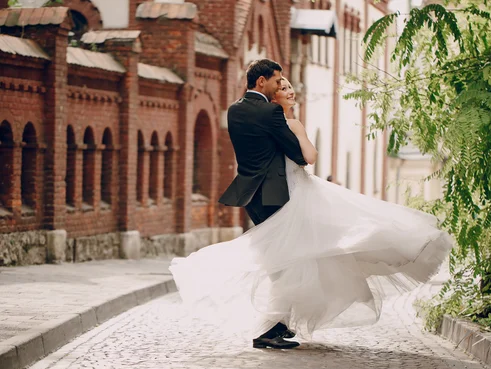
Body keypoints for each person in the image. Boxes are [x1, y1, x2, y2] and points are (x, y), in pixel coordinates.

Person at [170, 59, 453, 350]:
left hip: (252, 196)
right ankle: (267, 328)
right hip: (281, 194)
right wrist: (293, 133)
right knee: (292, 259)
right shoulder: (270, 113)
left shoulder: (235, 109)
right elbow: (300, 155)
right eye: (277, 81)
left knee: (285, 261)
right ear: (261, 82)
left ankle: (278, 324)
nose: (281, 86)